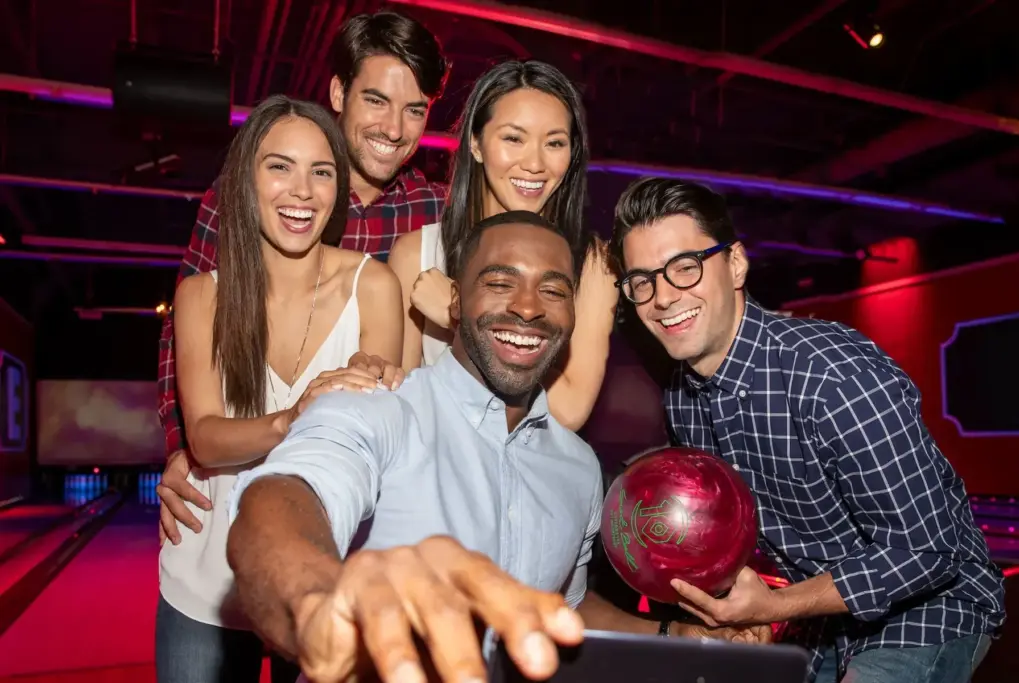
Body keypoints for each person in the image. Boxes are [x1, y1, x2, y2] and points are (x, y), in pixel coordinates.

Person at [225, 211, 771, 683]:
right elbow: (277, 504)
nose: (529, 307)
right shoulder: (378, 408)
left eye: (554, 289)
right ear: (457, 301)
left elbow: (564, 612)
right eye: (501, 282)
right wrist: (324, 600)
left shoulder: (577, 468)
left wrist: (678, 633)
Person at [609, 177, 1006, 683]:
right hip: (823, 617)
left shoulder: (831, 376)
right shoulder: (682, 400)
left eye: (684, 268)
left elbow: (929, 552)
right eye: (641, 280)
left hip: (930, 611)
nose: (662, 297)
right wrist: (742, 609)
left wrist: (775, 605)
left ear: (734, 264)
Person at [156, 10, 449, 535]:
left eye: (415, 110)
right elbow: (181, 335)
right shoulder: (238, 202)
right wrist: (185, 448)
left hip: (360, 493)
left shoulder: (435, 214)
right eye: (375, 101)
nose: (394, 129)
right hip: (237, 471)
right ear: (338, 92)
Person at [156, 95, 405, 683]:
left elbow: (373, 450)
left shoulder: (375, 286)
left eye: (321, 172)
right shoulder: (202, 296)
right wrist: (296, 417)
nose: (302, 191)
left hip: (324, 575)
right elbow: (208, 440)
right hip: (206, 576)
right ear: (246, 181)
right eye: (279, 166)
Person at [387, 59, 619, 431]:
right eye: (514, 138)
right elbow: (400, 401)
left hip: (535, 474)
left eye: (555, 143)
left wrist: (458, 319)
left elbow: (570, 411)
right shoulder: (417, 254)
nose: (535, 163)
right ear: (476, 144)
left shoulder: (594, 264)